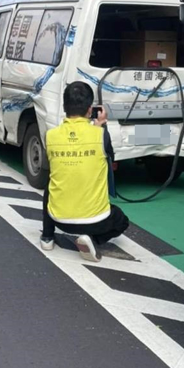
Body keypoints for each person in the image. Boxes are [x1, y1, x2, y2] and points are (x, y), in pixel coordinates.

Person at [41, 81, 129, 262]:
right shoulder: (100, 135)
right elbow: (111, 159)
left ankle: (47, 237)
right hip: (97, 221)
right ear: (90, 110)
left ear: (64, 107)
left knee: (51, 185)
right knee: (121, 221)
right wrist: (101, 125)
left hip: (59, 220)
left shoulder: (50, 136)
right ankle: (93, 240)